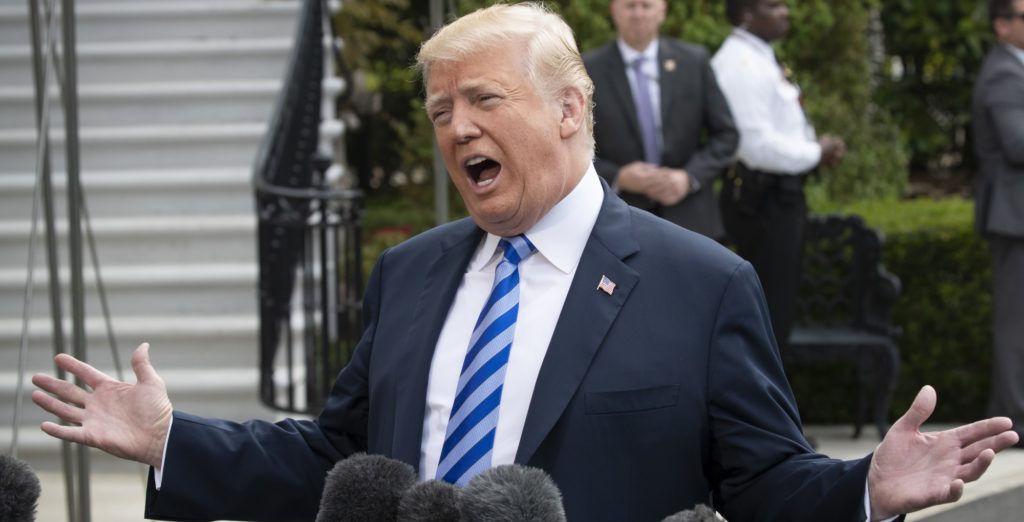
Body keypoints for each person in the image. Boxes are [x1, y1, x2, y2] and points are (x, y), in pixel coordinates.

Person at [31, 4, 1017, 521]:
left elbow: (759, 486)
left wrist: (863, 491)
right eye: (438, 112)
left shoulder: (700, 284)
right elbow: (333, 463)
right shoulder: (408, 274)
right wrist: (174, 442)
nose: (455, 127)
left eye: (482, 100)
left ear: (568, 111)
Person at [711, 0, 845, 349]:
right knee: (766, 320)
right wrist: (817, 152)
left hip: (779, 197)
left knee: (777, 315)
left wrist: (814, 152)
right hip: (762, 202)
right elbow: (756, 146)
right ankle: (760, 403)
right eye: (773, 5)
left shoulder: (761, 56)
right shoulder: (740, 64)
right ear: (745, 14)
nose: (785, 11)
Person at [584, 0, 738, 240]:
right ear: (614, 11)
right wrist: (618, 177)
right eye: (630, 6)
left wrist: (689, 178)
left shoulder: (693, 62)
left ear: (662, 12)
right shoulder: (587, 69)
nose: (638, 14)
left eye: (646, 6)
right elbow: (572, 147)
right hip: (620, 218)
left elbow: (726, 135)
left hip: (691, 219)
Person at [973, 0, 1024, 447]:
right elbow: (1017, 144)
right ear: (1002, 25)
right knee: (1014, 324)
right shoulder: (1004, 73)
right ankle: (1012, 421)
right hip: (1014, 218)